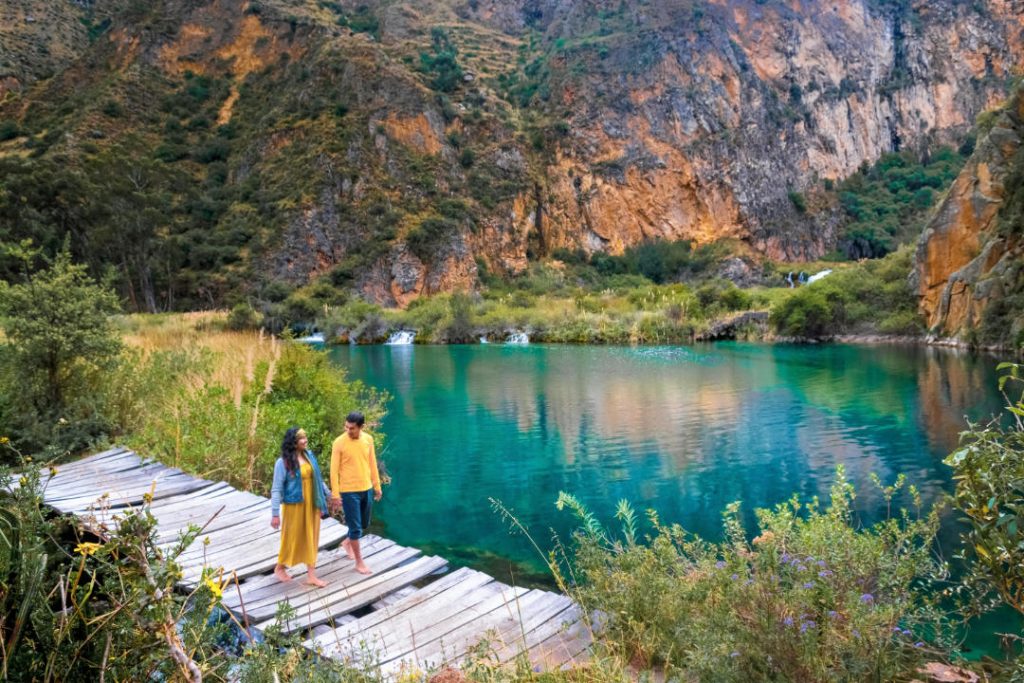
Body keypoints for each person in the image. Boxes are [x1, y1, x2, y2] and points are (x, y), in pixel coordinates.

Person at [270, 427, 331, 587]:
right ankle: (280, 567)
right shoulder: (283, 462)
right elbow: (276, 488)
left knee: (312, 536)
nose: (305, 440)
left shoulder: (309, 456)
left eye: (305, 437)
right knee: (292, 536)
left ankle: (311, 575)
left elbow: (318, 478)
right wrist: (275, 513)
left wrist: (329, 495)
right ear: (293, 442)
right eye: (301, 438)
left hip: (312, 502)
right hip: (294, 504)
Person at [330, 411, 382, 575]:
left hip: (366, 488)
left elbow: (372, 464)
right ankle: (359, 563)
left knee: (364, 524)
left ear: (361, 427)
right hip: (348, 491)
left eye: (351, 428)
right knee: (356, 529)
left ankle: (347, 543)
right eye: (346, 427)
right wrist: (336, 494)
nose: (348, 430)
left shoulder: (368, 440)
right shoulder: (339, 442)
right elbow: (334, 470)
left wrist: (377, 486)